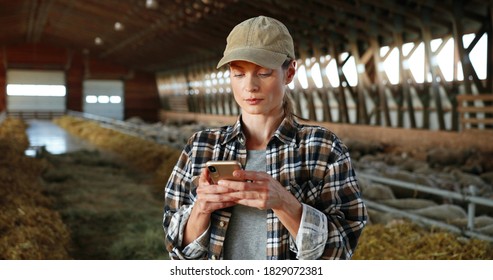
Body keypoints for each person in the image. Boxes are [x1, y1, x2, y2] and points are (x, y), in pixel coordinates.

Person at [163, 15, 368, 260]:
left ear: (289, 73)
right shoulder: (201, 147)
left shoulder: (323, 149)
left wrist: (284, 202)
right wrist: (201, 209)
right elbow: (176, 248)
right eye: (238, 74)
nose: (250, 86)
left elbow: (343, 249)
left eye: (263, 73)